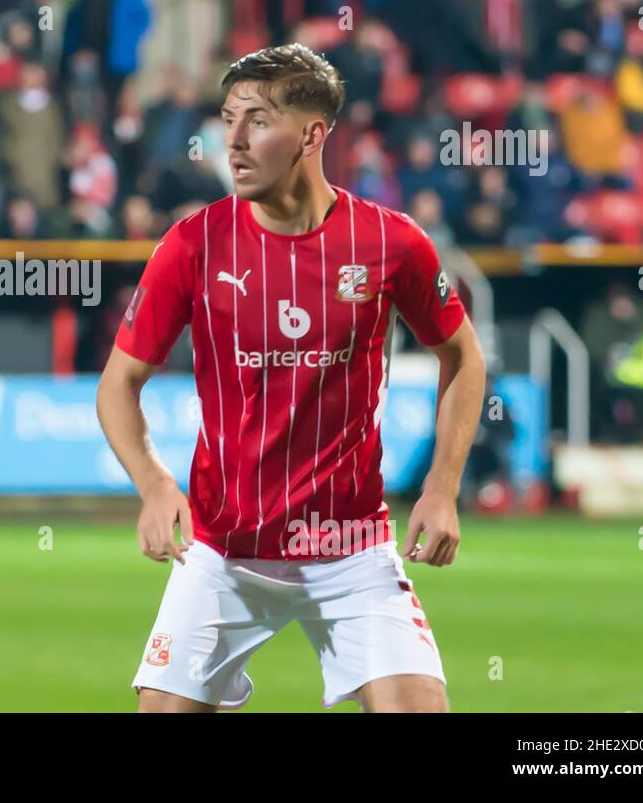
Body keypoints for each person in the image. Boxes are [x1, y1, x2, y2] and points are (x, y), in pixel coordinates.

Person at [95, 43, 487, 713]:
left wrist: (443, 486)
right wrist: (156, 484)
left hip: (351, 549)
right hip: (222, 550)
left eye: (256, 120)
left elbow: (465, 357)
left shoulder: (390, 243)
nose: (234, 141)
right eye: (227, 120)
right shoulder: (192, 245)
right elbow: (118, 383)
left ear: (312, 135)